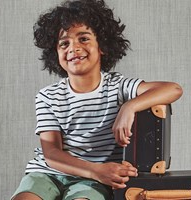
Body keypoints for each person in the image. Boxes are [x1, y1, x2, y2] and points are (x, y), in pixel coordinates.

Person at [12, 0, 182, 199]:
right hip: (48, 174)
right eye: (64, 43)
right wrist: (95, 170)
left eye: (83, 39)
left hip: (95, 181)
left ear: (102, 46)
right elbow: (51, 153)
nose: (73, 48)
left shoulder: (118, 87)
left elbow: (173, 89)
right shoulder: (47, 96)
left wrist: (130, 106)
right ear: (55, 53)